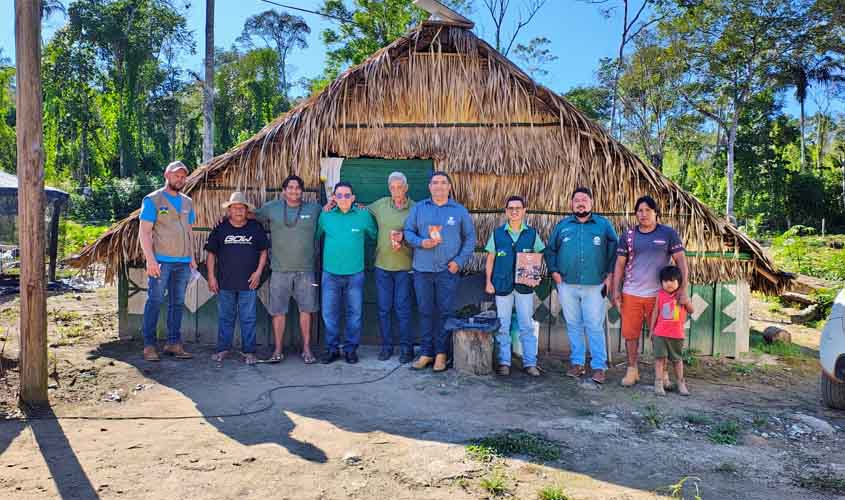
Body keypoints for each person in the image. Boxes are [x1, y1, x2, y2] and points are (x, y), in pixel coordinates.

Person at [611, 195, 689, 387]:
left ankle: (663, 375)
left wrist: (683, 289)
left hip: (661, 297)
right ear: (635, 214)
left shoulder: (668, 234)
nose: (643, 214)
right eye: (639, 211)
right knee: (630, 334)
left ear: (656, 212)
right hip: (631, 293)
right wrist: (615, 291)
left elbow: (681, 261)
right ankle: (632, 370)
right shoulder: (628, 236)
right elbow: (619, 265)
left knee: (661, 335)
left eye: (647, 210)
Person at [544, 187, 618, 384]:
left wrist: (610, 275)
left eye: (584, 199)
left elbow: (615, 249)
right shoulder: (563, 226)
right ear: (571, 204)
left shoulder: (603, 225)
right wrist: (554, 272)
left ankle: (599, 367)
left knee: (594, 326)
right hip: (566, 285)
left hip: (595, 285)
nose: (580, 202)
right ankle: (577, 364)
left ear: (591, 203)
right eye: (576, 200)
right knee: (574, 325)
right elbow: (550, 250)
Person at [404, 171, 476, 372]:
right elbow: (408, 232)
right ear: (429, 187)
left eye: (443, 183)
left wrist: (459, 262)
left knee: (445, 313)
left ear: (449, 187)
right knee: (425, 311)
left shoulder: (459, 211)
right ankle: (426, 353)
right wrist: (421, 242)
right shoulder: (419, 208)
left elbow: (470, 239)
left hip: (448, 271)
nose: (439, 186)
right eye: (435, 183)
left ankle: (441, 355)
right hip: (422, 270)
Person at [253, 175, 322, 364]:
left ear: (302, 191)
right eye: (290, 187)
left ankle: (307, 349)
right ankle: (277, 350)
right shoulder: (271, 208)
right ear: (283, 191)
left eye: (298, 188)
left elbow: (331, 215)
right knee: (278, 311)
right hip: (279, 270)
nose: (294, 191)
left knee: (306, 310)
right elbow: (249, 215)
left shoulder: (314, 209)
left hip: (306, 270)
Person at [138, 160, 196, 362]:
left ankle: (173, 343)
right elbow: (144, 232)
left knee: (177, 303)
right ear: (166, 174)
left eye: (182, 176)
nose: (179, 179)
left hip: (183, 262)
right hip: (161, 261)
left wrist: (193, 257)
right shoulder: (153, 199)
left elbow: (189, 230)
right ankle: (149, 345)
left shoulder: (188, 202)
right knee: (154, 301)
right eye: (176, 175)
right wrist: (150, 260)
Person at [205, 192, 269, 365]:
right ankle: (223, 349)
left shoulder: (255, 228)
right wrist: (211, 276)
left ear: (246, 210)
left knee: (248, 318)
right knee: (226, 317)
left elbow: (264, 251)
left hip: (249, 282)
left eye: (242, 208)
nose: (239, 211)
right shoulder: (221, 228)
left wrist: (258, 272)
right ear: (229, 210)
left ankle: (249, 352)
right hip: (225, 282)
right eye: (235, 208)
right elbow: (211, 253)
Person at [485, 195, 545, 377]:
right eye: (510, 208)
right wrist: (488, 281)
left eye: (518, 208)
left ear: (524, 210)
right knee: (503, 325)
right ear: (506, 211)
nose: (514, 211)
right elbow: (490, 258)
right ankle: (504, 362)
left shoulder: (532, 234)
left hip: (524, 286)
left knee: (526, 324)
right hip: (502, 285)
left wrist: (535, 275)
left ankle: (530, 363)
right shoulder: (497, 233)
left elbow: (539, 256)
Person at [317, 182, 377, 364]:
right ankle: (332, 349)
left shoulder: (363, 215)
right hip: (330, 274)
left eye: (347, 195)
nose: (343, 198)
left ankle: (351, 350)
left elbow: (374, 236)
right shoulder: (325, 215)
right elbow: (317, 236)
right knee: (329, 314)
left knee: (355, 314)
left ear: (353, 198)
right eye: (339, 195)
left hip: (355, 274)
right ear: (333, 197)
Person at [368, 172, 416, 363]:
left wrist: (404, 235)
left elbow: (422, 232)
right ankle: (386, 347)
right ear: (389, 188)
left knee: (403, 309)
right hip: (382, 266)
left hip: (405, 267)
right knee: (384, 309)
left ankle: (406, 349)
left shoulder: (416, 208)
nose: (396, 190)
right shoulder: (380, 204)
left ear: (406, 187)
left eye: (399, 186)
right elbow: (361, 210)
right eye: (392, 187)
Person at [649, 265, 692, 396]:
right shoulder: (660, 295)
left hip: (677, 335)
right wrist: (651, 330)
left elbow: (692, 310)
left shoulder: (681, 295)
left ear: (679, 282)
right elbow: (656, 312)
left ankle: (681, 383)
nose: (669, 284)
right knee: (659, 359)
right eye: (666, 281)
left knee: (677, 360)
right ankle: (658, 383)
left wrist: (686, 301)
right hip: (660, 333)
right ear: (661, 282)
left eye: (673, 281)